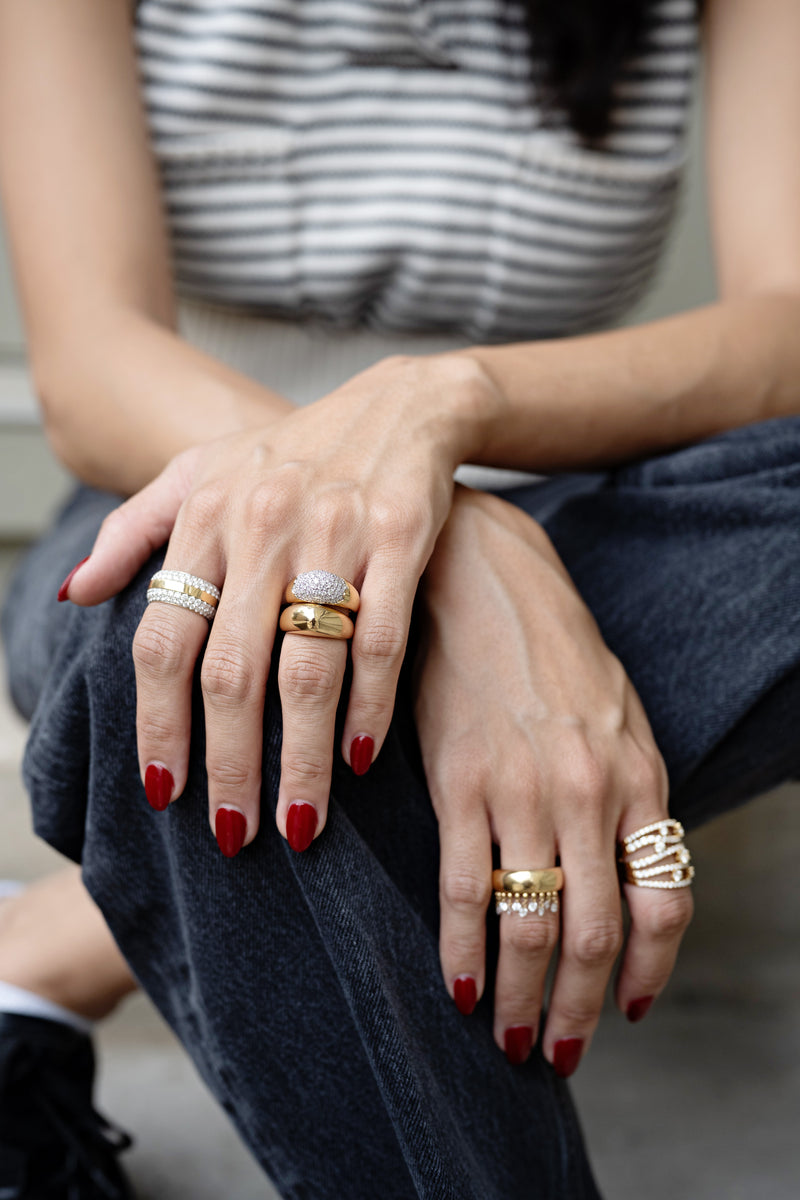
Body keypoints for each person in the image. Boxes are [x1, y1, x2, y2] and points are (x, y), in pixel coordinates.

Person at [1, 0, 799, 1196]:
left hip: (601, 504)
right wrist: (452, 543)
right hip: (169, 480)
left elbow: (783, 329)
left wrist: (447, 410)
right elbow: (91, 361)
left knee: (242, 710)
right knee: (188, 642)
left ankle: (63, 937)